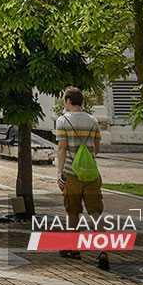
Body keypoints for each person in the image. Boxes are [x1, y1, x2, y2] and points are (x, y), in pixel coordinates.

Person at [54, 86, 109, 270]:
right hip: (91, 174)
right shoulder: (93, 120)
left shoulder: (62, 121)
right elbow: (97, 146)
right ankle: (103, 251)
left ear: (68, 101)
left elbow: (62, 148)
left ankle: (73, 247)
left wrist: (59, 172)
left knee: (72, 212)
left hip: (72, 173)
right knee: (95, 213)